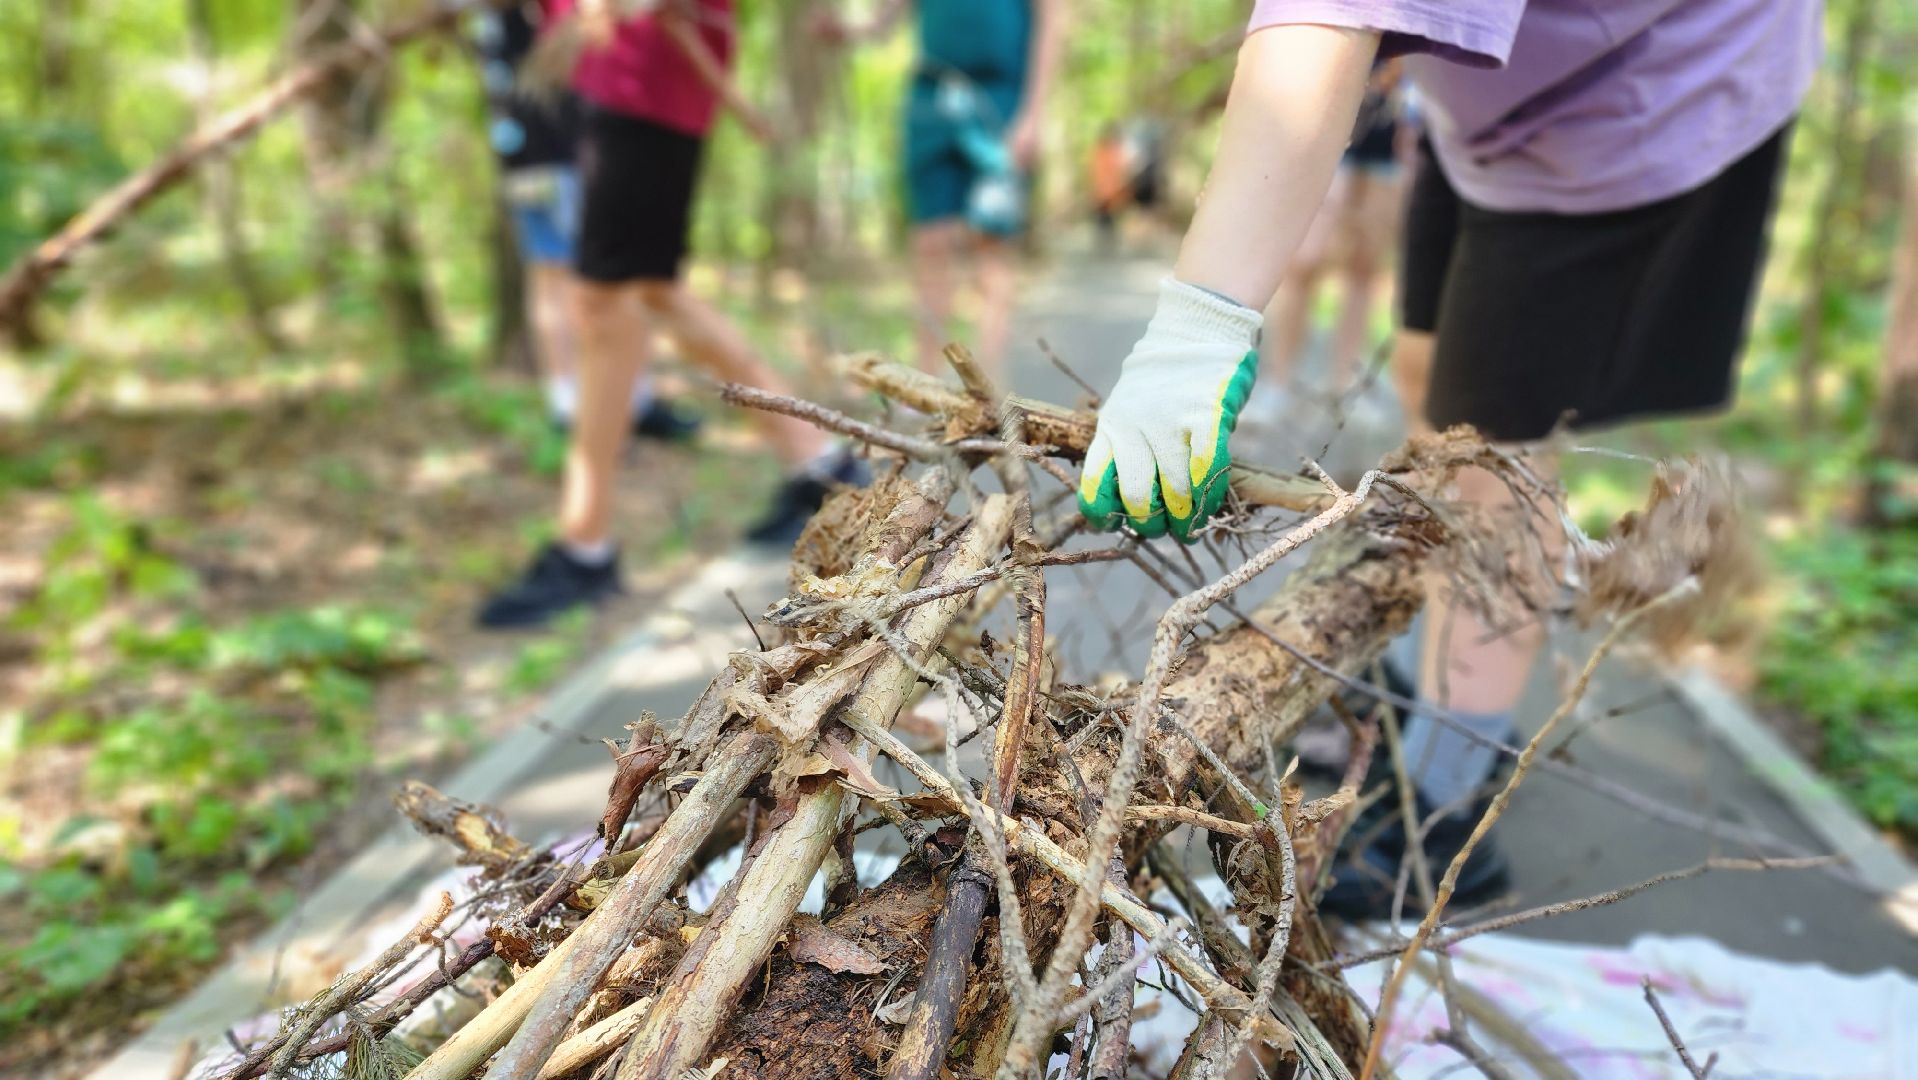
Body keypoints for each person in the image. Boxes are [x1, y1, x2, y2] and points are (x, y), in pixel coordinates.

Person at [1076, 0, 1817, 918]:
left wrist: (1198, 327)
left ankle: (1442, 807)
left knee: (1492, 457)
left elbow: (1328, 20)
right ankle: (1424, 689)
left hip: (1636, 100)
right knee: (1434, 377)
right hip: (1493, 104)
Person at [479, 0, 864, 629]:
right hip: (623, 77)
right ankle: (822, 464)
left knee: (605, 298)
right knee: (653, 290)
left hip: (639, 77)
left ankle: (584, 544)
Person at [473, 1, 699, 441]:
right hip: (552, 153)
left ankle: (617, 402)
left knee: (583, 277)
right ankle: (593, 405)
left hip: (555, 151)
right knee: (586, 279)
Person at [815, 0, 1067, 377]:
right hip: (930, 96)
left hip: (999, 100)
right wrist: (849, 30)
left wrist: (1033, 115)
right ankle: (926, 386)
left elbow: (1052, 19)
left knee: (991, 248)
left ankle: (989, 393)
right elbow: (885, 19)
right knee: (929, 246)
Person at [1258, 59, 1408, 422]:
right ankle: (1277, 384)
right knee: (1306, 259)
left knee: (1363, 266)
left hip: (1392, 130)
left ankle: (1346, 384)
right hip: (1331, 120)